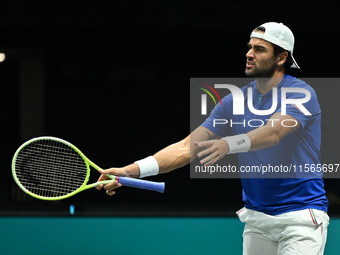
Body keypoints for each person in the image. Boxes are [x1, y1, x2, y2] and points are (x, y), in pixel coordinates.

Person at [96, 22, 329, 255]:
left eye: (259, 49)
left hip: (300, 218)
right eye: (249, 47)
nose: (248, 54)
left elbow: (273, 133)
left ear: (281, 57)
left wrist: (229, 143)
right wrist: (130, 171)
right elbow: (186, 148)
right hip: (257, 221)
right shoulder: (234, 100)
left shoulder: (301, 94)